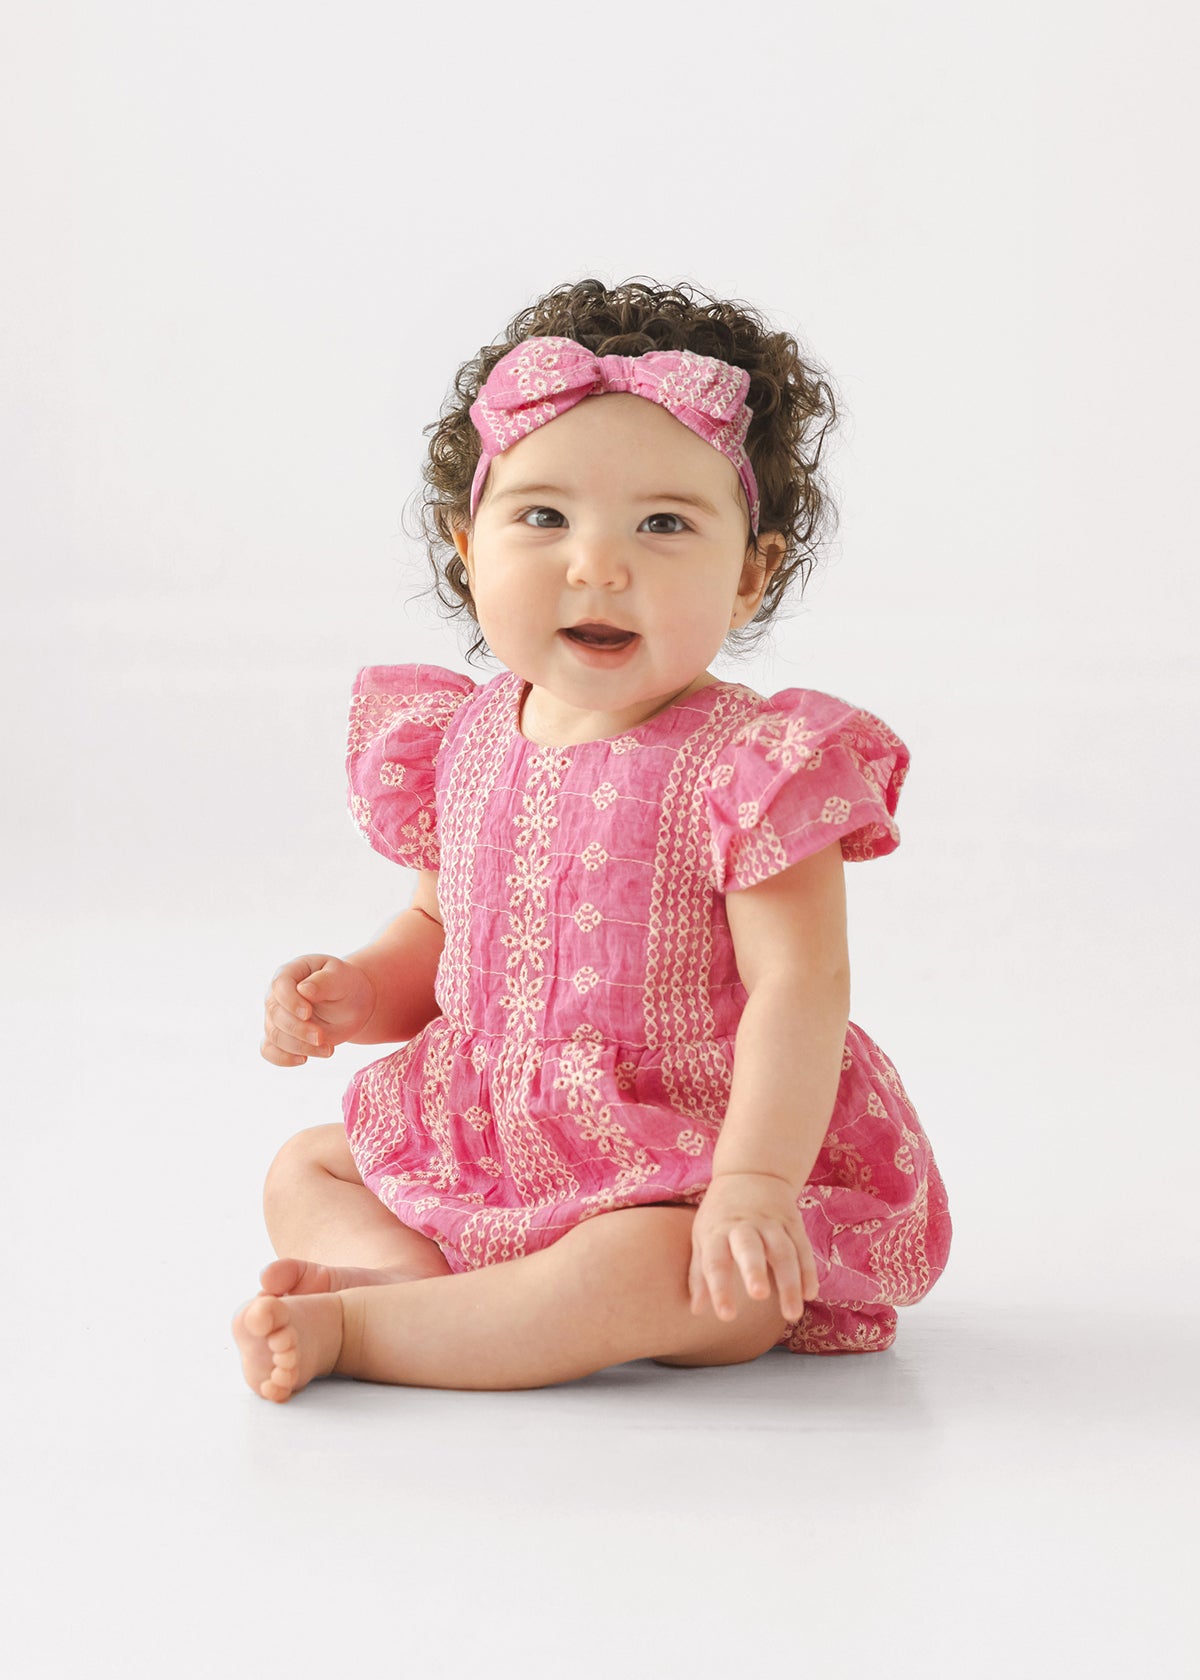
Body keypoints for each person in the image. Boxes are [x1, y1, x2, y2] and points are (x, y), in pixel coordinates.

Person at [233, 276, 953, 1402]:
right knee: (309, 1167)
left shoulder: (754, 769)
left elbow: (799, 990)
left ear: (751, 570)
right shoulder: (457, 740)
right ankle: (438, 1301)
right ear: (468, 547)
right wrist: (355, 995)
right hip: (499, 1140)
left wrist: (754, 1185)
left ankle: (367, 1331)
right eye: (544, 518)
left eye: (664, 524)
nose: (597, 565)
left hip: (686, 1164)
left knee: (657, 1270)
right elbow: (438, 928)